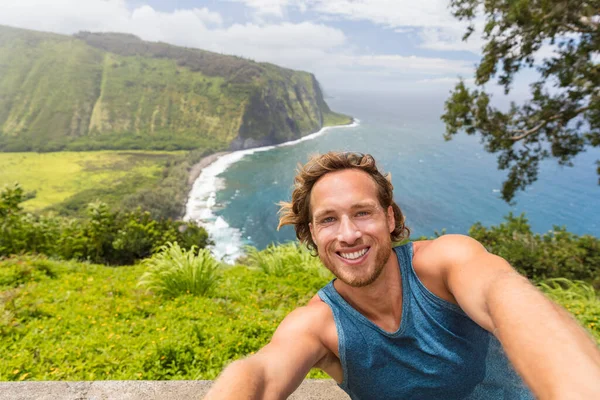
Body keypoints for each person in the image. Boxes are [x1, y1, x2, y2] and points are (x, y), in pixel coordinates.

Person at [204, 151, 600, 400]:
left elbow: (505, 295)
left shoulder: (444, 262)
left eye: (363, 212)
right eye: (328, 220)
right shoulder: (320, 326)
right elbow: (260, 373)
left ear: (389, 218)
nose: (348, 234)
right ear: (311, 235)